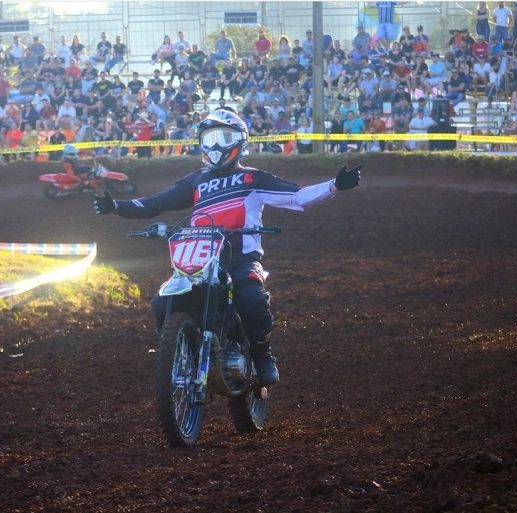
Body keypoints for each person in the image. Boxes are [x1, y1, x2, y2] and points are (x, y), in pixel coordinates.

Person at [92, 109, 361, 386]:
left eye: (225, 137)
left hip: (241, 258)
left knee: (253, 300)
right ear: (201, 143)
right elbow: (154, 204)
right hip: (199, 261)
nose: (217, 145)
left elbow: (297, 197)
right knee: (162, 302)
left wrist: (334, 186)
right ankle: (177, 351)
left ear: (240, 141)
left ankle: (261, 354)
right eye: (211, 138)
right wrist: (116, 207)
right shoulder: (196, 181)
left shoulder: (253, 178)